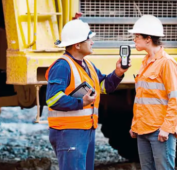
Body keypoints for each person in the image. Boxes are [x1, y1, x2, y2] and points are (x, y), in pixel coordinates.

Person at [45, 19, 131, 170]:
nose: (92, 42)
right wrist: (81, 102)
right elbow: (53, 99)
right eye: (89, 38)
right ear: (77, 45)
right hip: (68, 132)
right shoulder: (62, 66)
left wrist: (118, 73)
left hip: (86, 130)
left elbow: (103, 86)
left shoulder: (88, 65)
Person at [128, 15, 177, 170]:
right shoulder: (145, 62)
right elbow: (142, 98)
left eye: (137, 36)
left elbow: (175, 99)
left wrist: (167, 128)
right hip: (142, 129)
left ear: (148, 39)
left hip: (159, 130)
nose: (134, 40)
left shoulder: (167, 63)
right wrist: (135, 124)